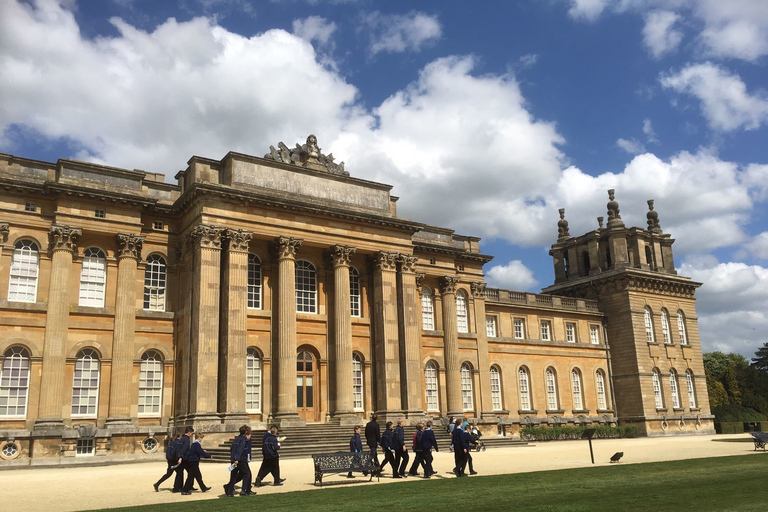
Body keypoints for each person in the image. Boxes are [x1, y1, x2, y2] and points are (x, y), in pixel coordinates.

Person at [224, 425, 255, 497]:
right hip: (240, 460)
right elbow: (240, 450)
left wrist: (233, 458)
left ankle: (229, 492)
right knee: (247, 474)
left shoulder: (236, 438)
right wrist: (237, 459)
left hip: (233, 460)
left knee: (233, 475)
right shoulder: (243, 439)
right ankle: (244, 490)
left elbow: (232, 449)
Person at [172, 426, 194, 492]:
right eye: (191, 433)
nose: (192, 434)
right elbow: (184, 449)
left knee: (180, 473)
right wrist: (181, 458)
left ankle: (177, 487)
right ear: (189, 433)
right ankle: (187, 486)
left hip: (180, 458)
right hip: (184, 459)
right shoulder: (186, 439)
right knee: (191, 472)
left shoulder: (181, 439)